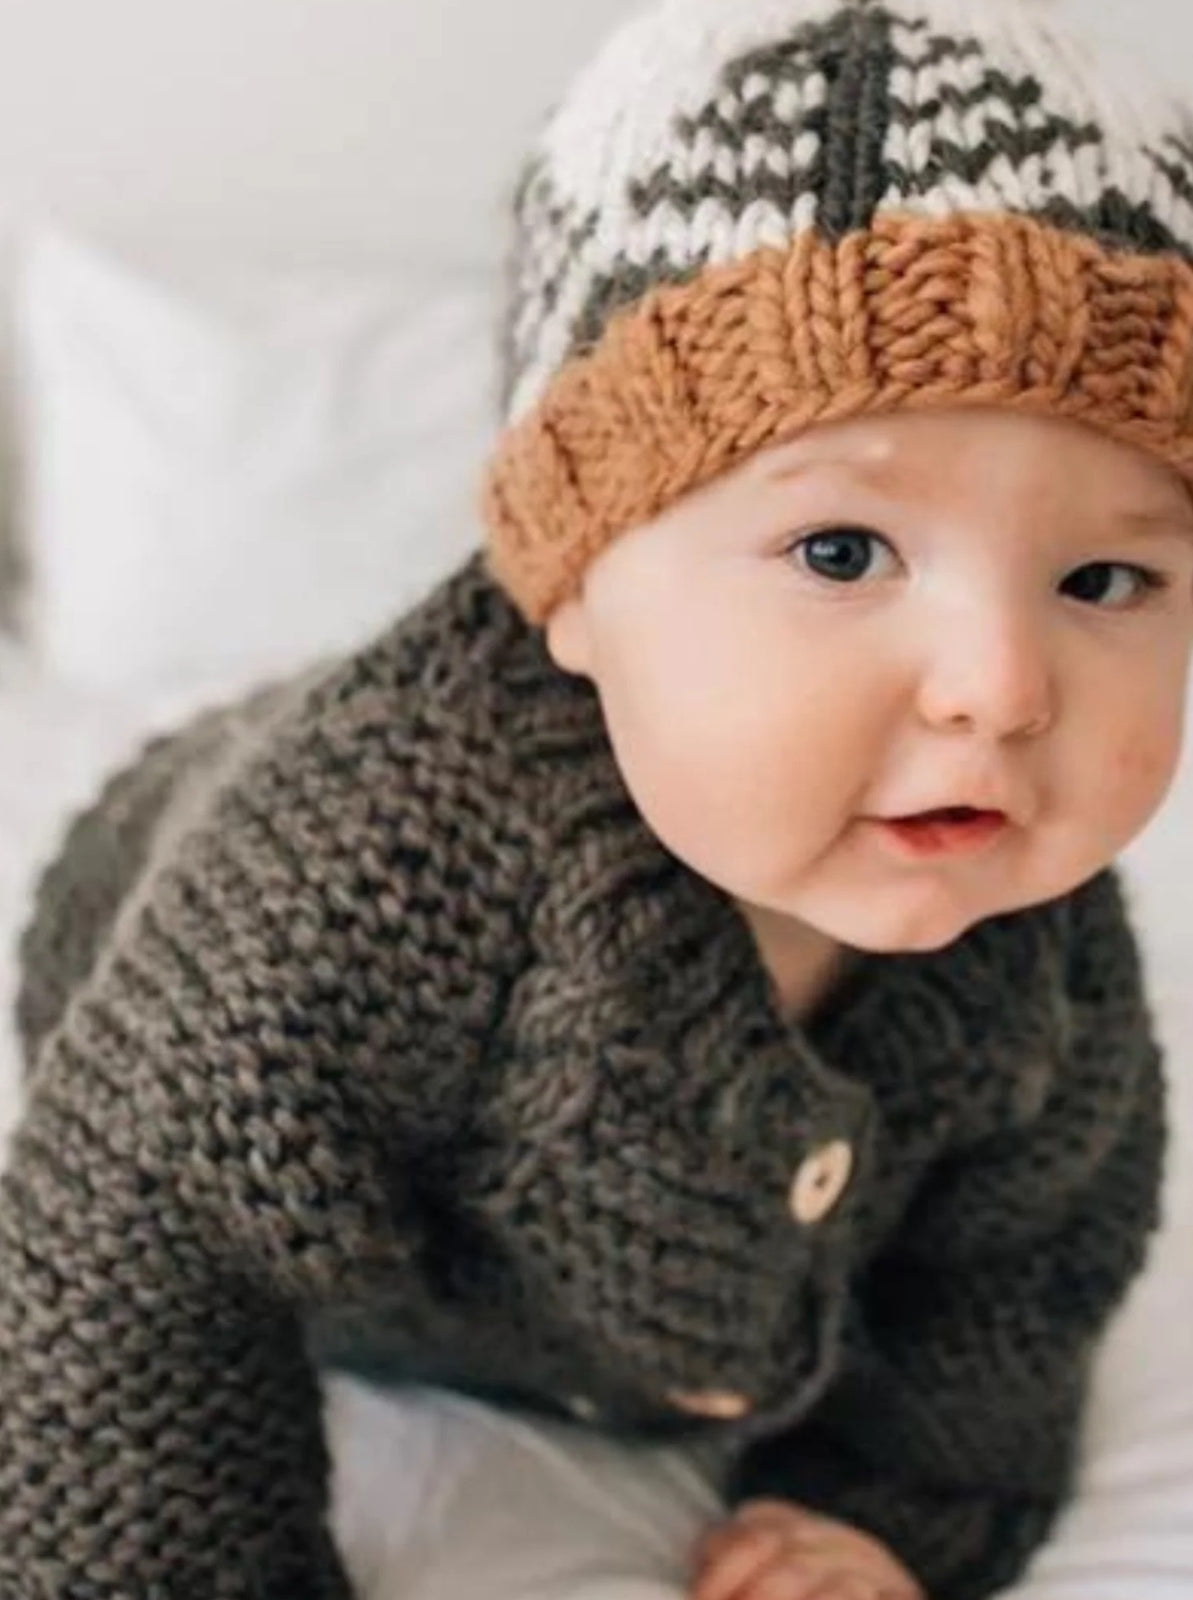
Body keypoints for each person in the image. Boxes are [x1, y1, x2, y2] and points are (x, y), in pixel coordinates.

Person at [2, 0, 1191, 1596]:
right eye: (840, 552)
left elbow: (1028, 1254)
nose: (1000, 682)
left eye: (1101, 575)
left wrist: (888, 1503)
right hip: (178, 940)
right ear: (570, 588)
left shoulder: (1031, 930)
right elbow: (128, 1240)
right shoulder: (369, 863)